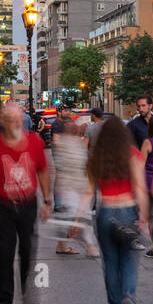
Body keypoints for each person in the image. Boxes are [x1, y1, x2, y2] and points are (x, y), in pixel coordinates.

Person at [0, 102, 51, 304]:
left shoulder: (34, 141)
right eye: (10, 119)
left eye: (19, 118)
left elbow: (43, 171)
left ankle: (30, 300)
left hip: (28, 204)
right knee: (5, 255)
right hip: (3, 206)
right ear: (3, 122)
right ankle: (5, 301)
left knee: (28, 253)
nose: (16, 122)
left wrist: (47, 200)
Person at [88, 113, 149, 304]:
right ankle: (127, 296)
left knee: (110, 262)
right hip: (128, 211)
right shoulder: (132, 154)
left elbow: (89, 191)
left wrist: (78, 217)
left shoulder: (97, 156)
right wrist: (144, 216)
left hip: (105, 213)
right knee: (130, 261)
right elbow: (140, 188)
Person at [50, 107, 98, 257]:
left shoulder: (77, 144)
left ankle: (63, 244)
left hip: (77, 186)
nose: (75, 128)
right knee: (79, 216)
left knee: (73, 216)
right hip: (70, 187)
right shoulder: (66, 145)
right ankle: (89, 246)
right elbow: (60, 167)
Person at [127, 95, 153, 256]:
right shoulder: (134, 125)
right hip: (142, 171)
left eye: (143, 106)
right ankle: (136, 238)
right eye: (139, 106)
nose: (141, 109)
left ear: (150, 106)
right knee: (139, 208)